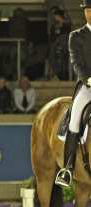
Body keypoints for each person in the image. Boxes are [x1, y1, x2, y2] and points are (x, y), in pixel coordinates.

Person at [55, 0, 91, 187]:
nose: (90, 13)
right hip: (88, 86)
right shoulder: (76, 36)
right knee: (76, 117)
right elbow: (77, 63)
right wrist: (88, 79)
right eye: (88, 10)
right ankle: (67, 169)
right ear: (84, 12)